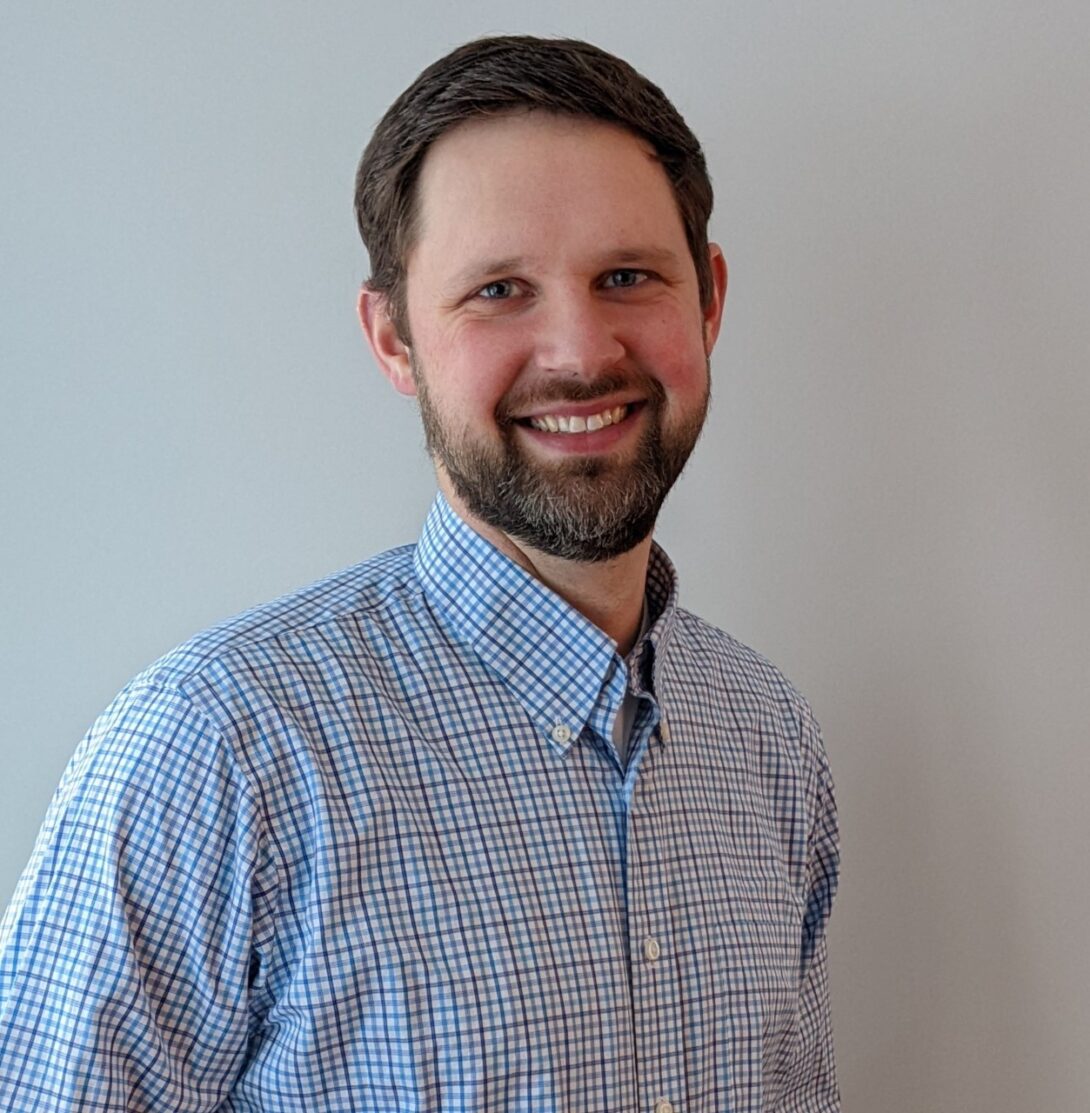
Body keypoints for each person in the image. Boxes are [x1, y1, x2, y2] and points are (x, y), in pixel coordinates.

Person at [0, 35, 840, 1112]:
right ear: (392, 339)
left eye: (626, 276)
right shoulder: (217, 752)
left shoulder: (768, 741)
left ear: (707, 302)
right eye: (499, 290)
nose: (581, 352)